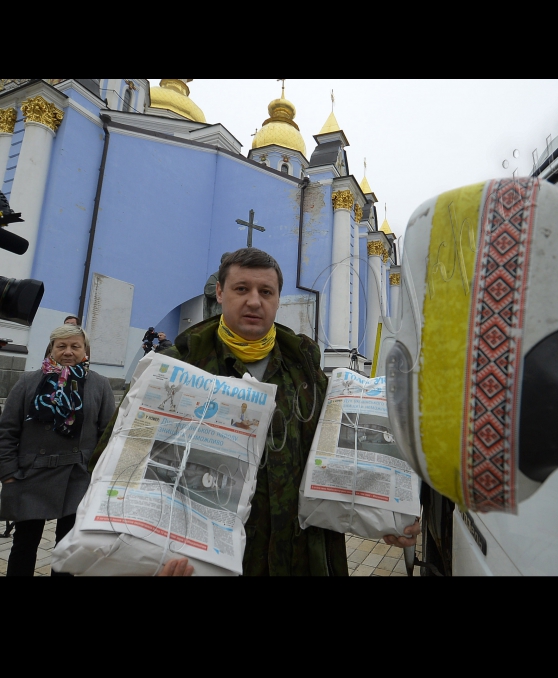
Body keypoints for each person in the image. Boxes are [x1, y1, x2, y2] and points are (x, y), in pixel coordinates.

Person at [92, 247, 418, 576]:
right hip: (207, 559)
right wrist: (140, 552)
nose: (253, 301)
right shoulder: (178, 365)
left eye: (266, 292)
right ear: (220, 292)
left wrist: (383, 515)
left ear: (277, 299)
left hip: (299, 557)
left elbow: (340, 457)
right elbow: (118, 458)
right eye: (241, 289)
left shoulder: (304, 369)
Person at [0, 324, 115, 576]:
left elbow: (107, 436)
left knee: (67, 549)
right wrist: (8, 473)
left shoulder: (99, 385)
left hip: (77, 477)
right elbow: (6, 430)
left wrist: (98, 478)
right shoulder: (28, 381)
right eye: (61, 346)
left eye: (76, 346)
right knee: (24, 545)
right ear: (51, 349)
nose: (68, 351)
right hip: (29, 475)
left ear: (85, 351)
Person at [202, 253, 229, 320]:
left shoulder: (233, 276)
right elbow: (208, 289)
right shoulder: (216, 275)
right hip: (217, 312)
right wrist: (225, 289)